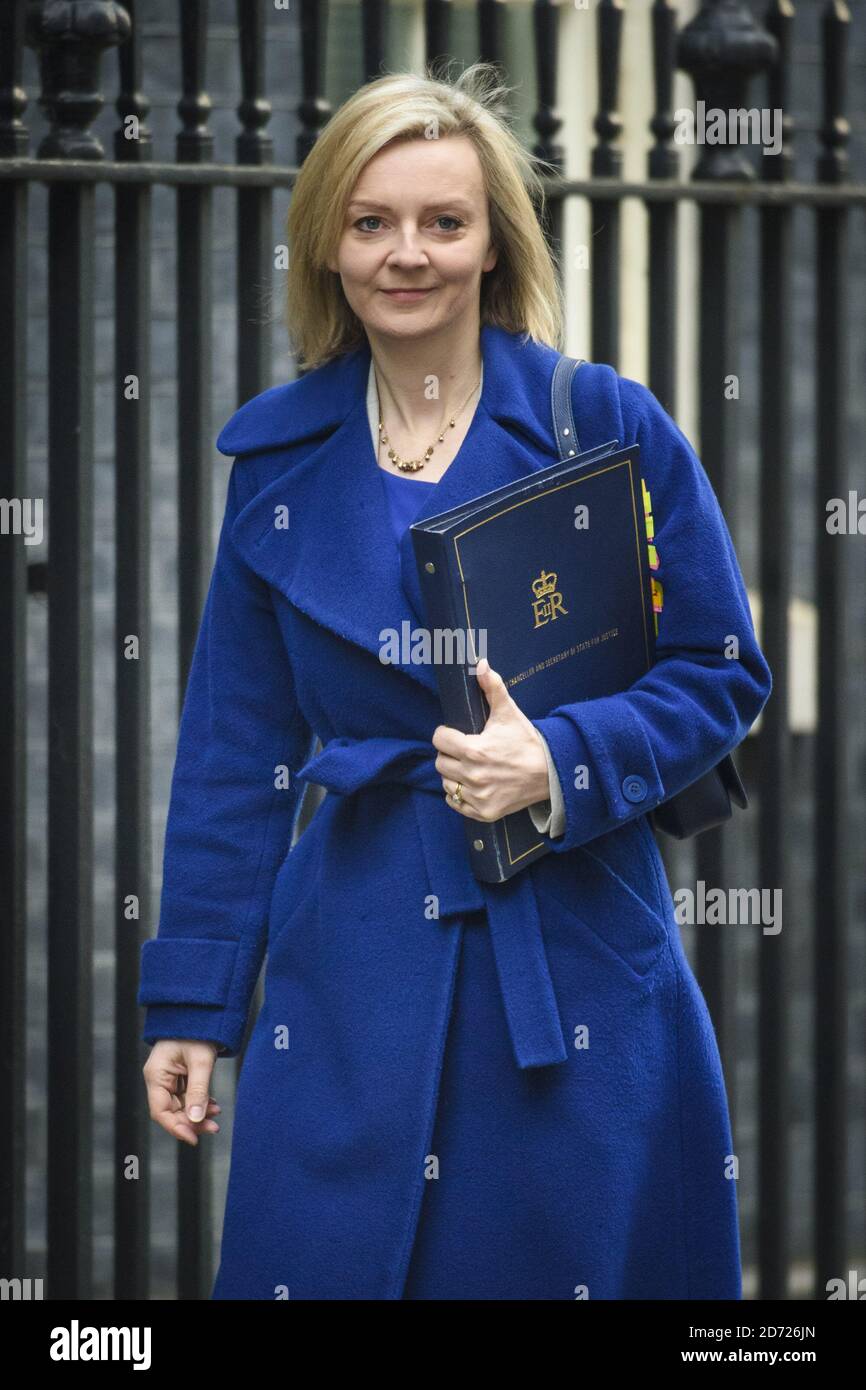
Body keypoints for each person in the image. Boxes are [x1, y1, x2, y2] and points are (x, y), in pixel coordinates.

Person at [140, 63, 772, 1300]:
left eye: (443, 221)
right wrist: (194, 1004)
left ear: (493, 244)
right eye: (371, 222)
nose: (405, 254)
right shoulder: (272, 459)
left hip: (571, 950)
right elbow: (233, 755)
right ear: (326, 243)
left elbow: (719, 665)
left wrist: (563, 760)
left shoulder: (604, 424)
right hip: (344, 972)